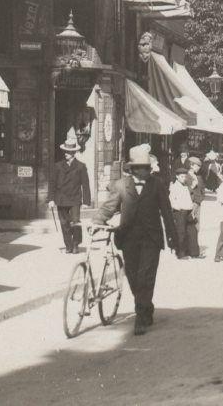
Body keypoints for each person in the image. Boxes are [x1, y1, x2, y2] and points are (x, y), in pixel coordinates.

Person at [92, 143, 176, 335]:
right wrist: (97, 222)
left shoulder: (158, 184)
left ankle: (139, 316)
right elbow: (109, 207)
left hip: (151, 238)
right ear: (132, 169)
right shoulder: (121, 185)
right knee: (132, 276)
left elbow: (166, 212)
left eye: (145, 168)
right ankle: (146, 307)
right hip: (128, 237)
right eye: (138, 168)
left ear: (149, 168)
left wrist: (173, 238)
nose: (142, 171)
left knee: (145, 275)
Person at [48, 131, 91, 254]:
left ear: (73, 153)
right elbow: (52, 183)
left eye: (68, 152)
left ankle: (76, 244)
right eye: (65, 151)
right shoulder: (57, 166)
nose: (66, 154)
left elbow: (85, 185)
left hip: (75, 198)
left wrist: (86, 201)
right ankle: (68, 245)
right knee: (64, 223)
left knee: (75, 222)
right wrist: (51, 199)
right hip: (61, 198)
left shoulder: (81, 167)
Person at [169, 167, 197, 259]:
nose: (183, 178)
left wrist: (191, 209)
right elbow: (172, 200)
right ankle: (181, 253)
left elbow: (188, 198)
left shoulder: (185, 186)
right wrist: (178, 208)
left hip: (188, 211)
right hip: (180, 212)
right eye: (181, 176)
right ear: (177, 177)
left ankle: (193, 252)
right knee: (181, 233)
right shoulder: (174, 186)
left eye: (184, 176)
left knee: (192, 231)